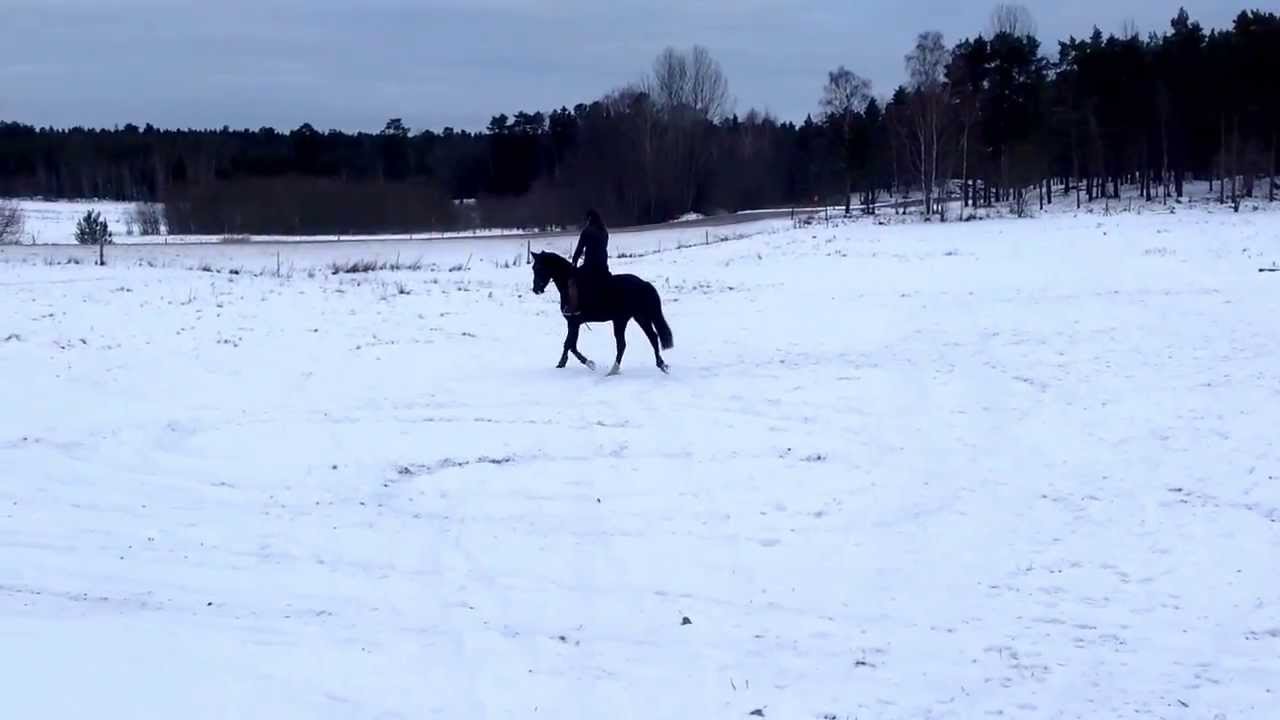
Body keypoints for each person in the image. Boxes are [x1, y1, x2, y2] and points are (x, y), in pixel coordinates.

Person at [563, 209, 610, 316]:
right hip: (603, 266)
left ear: (589, 219)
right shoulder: (604, 231)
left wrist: (574, 261)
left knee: (572, 281)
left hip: (590, 266)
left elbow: (580, 248)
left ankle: (574, 307)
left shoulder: (587, 231)